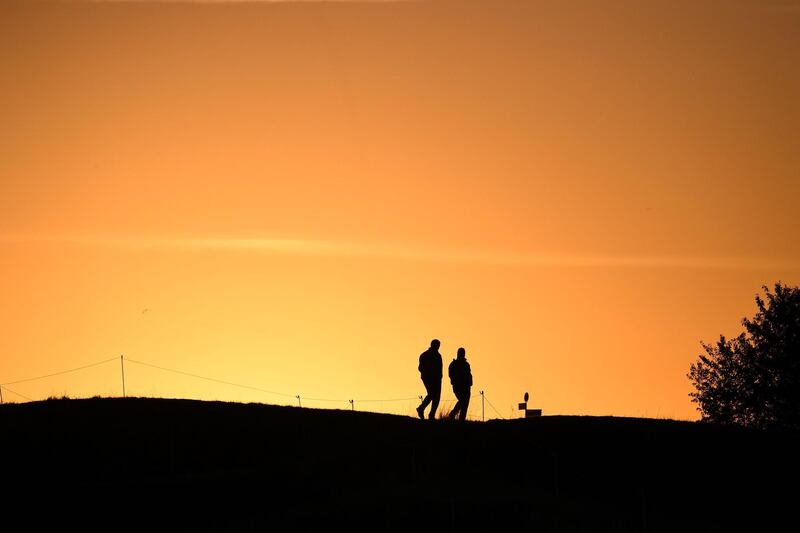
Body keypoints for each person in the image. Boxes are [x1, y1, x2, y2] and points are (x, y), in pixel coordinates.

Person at [416, 339, 443, 420]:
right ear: (432, 345)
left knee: (436, 397)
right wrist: (428, 374)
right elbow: (420, 368)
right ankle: (421, 409)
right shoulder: (425, 355)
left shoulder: (438, 356)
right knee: (431, 394)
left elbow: (440, 369)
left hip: (437, 379)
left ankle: (431, 414)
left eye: (438, 345)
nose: (438, 347)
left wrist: (440, 377)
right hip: (428, 378)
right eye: (437, 345)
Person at [448, 347, 472, 421]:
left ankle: (461, 419)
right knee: (462, 401)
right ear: (458, 354)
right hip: (458, 386)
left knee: (465, 403)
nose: (462, 354)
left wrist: (470, 383)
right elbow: (451, 375)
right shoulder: (453, 364)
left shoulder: (466, 364)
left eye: (463, 353)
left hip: (467, 387)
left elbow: (469, 374)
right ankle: (453, 413)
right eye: (461, 353)